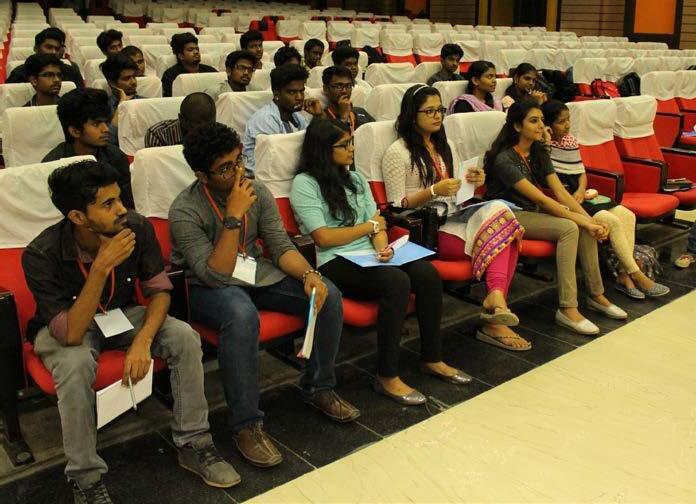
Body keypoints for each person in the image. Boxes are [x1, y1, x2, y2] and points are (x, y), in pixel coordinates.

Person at [22, 161, 240, 503]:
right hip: (68, 324)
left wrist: (143, 341)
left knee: (184, 337)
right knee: (75, 365)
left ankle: (194, 444)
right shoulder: (40, 253)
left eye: (120, 198)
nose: (122, 209)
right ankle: (85, 478)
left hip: (121, 315)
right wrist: (100, 267)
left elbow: (160, 291)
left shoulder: (135, 226)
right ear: (78, 217)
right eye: (108, 204)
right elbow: (71, 333)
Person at [169, 122, 360, 468]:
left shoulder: (258, 190)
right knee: (241, 316)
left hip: (254, 272)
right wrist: (232, 216)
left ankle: (319, 387)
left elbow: (280, 246)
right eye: (225, 169)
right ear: (201, 175)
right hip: (206, 287)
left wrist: (309, 275)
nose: (237, 172)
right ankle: (246, 425)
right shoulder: (184, 210)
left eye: (238, 161)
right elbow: (215, 273)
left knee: (327, 294)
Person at [291, 119, 472, 405]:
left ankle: (432, 358)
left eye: (352, 143)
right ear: (323, 149)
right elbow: (324, 237)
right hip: (333, 260)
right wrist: (370, 228)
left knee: (426, 273)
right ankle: (387, 375)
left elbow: (378, 225)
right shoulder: (305, 183)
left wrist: (382, 248)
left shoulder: (355, 179)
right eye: (344, 145)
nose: (352, 149)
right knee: (395, 281)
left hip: (368, 254)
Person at [382, 85, 529, 350]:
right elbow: (395, 206)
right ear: (412, 115)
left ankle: (496, 301)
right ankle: (495, 311)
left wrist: (475, 181)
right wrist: (433, 191)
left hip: (455, 213)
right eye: (429, 111)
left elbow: (459, 188)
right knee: (505, 226)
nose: (437, 116)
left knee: (503, 213)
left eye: (439, 109)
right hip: (426, 227)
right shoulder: (398, 151)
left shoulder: (445, 145)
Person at [483, 100, 628, 335]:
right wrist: (583, 221)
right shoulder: (505, 159)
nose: (541, 126)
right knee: (570, 227)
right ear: (517, 126)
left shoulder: (538, 151)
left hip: (531, 211)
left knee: (583, 227)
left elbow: (560, 192)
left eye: (541, 120)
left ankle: (596, 295)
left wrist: (589, 221)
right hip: (507, 214)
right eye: (533, 121)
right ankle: (568, 308)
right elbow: (542, 199)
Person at [542, 100, 670, 299]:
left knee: (627, 215)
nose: (567, 125)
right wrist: (546, 143)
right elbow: (552, 186)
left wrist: (581, 189)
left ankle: (623, 275)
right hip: (561, 201)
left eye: (568, 120)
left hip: (582, 195)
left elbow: (581, 173)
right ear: (548, 125)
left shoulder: (570, 142)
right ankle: (636, 274)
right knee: (612, 222)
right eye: (561, 122)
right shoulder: (542, 149)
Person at [43, 88, 134, 209]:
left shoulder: (115, 156)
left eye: (106, 122)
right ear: (75, 131)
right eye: (96, 124)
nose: (106, 129)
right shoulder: (53, 165)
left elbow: (127, 203)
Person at [242, 64, 322, 172]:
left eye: (301, 91)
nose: (299, 97)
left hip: (285, 171)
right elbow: (277, 161)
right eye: (292, 92)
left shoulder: (295, 116)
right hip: (262, 175)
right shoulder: (266, 119)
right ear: (276, 94)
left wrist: (317, 116)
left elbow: (311, 143)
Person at [6, 28, 84, 87]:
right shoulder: (19, 73)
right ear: (36, 48)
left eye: (57, 49)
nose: (53, 52)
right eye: (49, 47)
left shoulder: (71, 72)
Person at [145, 92, 216, 148]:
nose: (206, 130)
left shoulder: (218, 131)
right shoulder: (158, 134)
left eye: (211, 124)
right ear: (181, 119)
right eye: (198, 125)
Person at [100, 53, 142, 146]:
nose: (133, 82)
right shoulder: (103, 107)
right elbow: (108, 141)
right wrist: (122, 105)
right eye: (127, 78)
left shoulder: (145, 102)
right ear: (112, 83)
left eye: (134, 77)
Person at [161, 33, 218, 97]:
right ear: (181, 56)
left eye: (197, 49)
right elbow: (171, 99)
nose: (196, 52)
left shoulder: (210, 71)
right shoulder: (170, 75)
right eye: (190, 50)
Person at [322, 65, 374, 132]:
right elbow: (332, 138)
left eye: (348, 86)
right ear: (326, 89)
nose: (344, 91)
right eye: (338, 86)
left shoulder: (360, 111)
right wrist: (344, 117)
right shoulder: (321, 118)